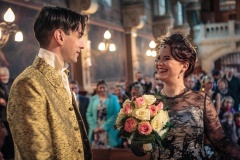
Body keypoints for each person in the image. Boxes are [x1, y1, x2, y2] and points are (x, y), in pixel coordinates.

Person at [131, 33, 240, 159]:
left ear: (184, 65)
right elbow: (138, 151)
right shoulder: (148, 103)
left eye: (166, 58)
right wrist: (139, 136)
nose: (159, 63)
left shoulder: (200, 100)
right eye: (158, 58)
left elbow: (220, 140)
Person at [7, 6, 92, 160]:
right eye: (78, 36)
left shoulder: (62, 76)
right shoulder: (28, 83)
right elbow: (37, 155)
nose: (82, 45)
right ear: (60, 36)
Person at [86, 80, 121, 148]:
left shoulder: (113, 98)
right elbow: (89, 114)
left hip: (108, 129)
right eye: (100, 87)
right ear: (97, 89)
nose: (102, 89)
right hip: (96, 130)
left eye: (103, 87)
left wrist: (103, 127)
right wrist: (94, 127)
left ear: (107, 88)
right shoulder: (93, 99)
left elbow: (115, 114)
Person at [0, 67, 14, 159]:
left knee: (12, 137)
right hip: (2, 115)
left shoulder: (13, 82)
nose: (5, 77)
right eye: (2, 76)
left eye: (6, 76)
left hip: (12, 114)